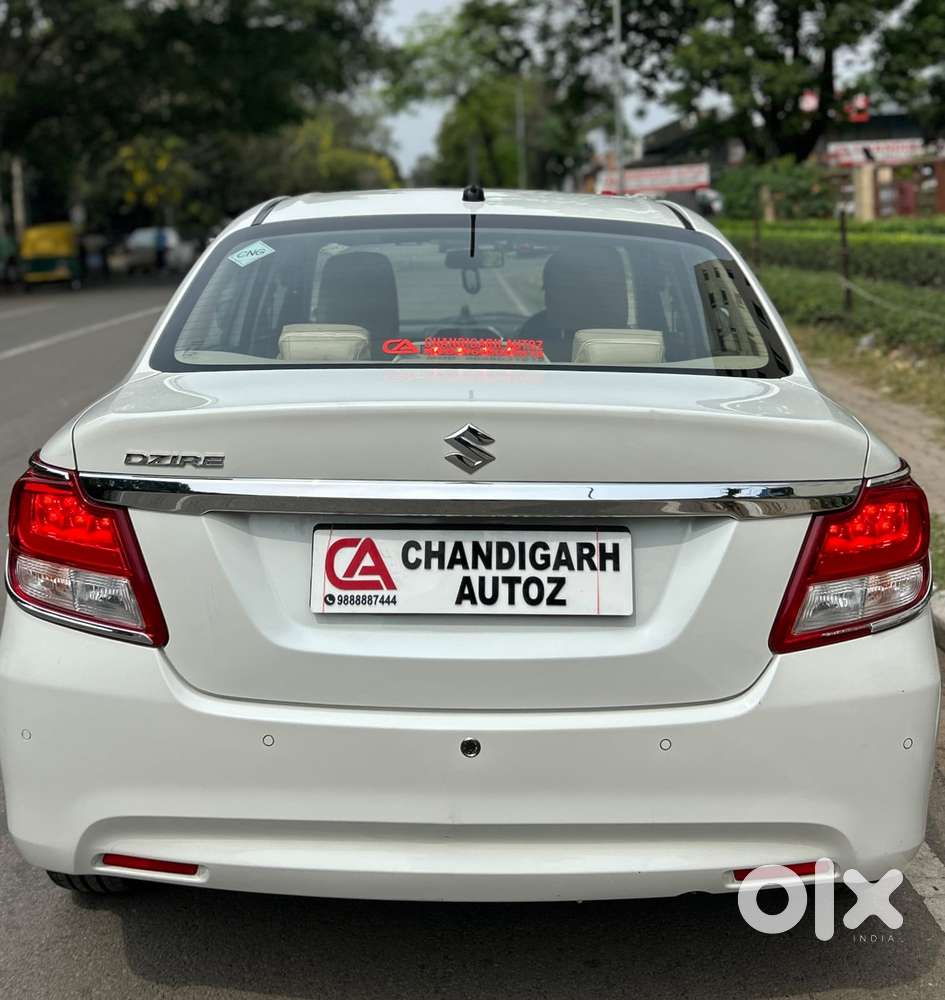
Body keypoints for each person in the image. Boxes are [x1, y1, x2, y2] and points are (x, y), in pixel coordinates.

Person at [517, 246, 628, 361]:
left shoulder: (533, 334)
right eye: (549, 290)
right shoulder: (639, 347)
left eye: (560, 289)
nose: (549, 299)